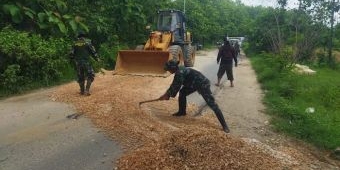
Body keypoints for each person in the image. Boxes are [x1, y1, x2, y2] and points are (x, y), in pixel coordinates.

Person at [158, 60, 230, 133]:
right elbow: (174, 85)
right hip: (193, 84)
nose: (168, 71)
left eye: (169, 69)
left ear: (172, 68)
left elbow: (175, 86)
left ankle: (224, 125)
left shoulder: (180, 73)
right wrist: (167, 94)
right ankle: (182, 112)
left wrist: (167, 95)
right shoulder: (179, 69)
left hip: (202, 84)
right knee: (182, 92)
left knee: (212, 104)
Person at [70, 31, 99, 96]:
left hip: (78, 63)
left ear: (78, 37)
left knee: (80, 76)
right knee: (90, 75)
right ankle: (87, 90)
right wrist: (97, 59)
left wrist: (74, 59)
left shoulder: (74, 44)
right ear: (84, 36)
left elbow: (71, 54)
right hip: (86, 62)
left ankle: (82, 91)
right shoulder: (87, 43)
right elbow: (93, 52)